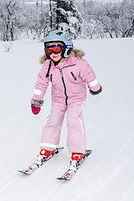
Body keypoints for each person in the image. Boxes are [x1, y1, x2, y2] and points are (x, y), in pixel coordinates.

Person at [31, 29, 102, 171]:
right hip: (58, 100)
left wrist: (95, 87)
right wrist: (36, 100)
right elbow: (41, 83)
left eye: (57, 48)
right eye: (49, 49)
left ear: (66, 48)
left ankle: (77, 151)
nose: (53, 53)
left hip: (76, 99)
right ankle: (47, 148)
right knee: (52, 121)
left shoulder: (79, 64)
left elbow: (90, 76)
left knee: (74, 122)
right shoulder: (48, 65)